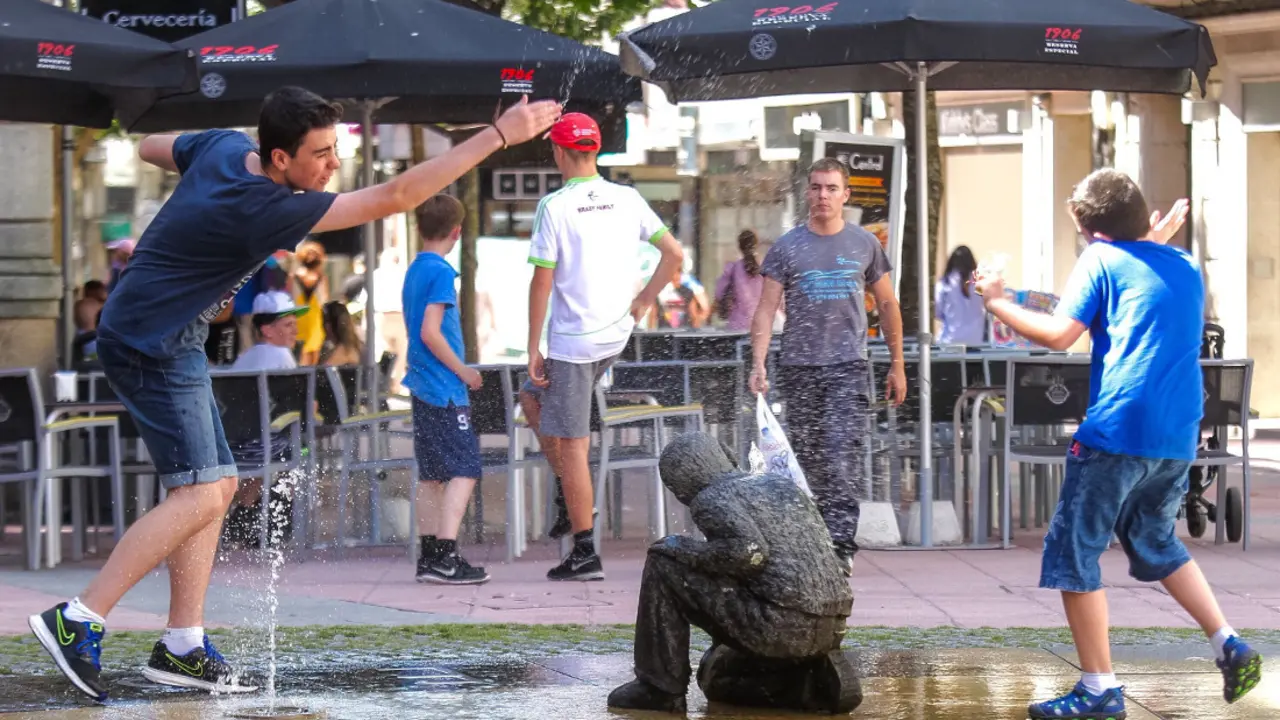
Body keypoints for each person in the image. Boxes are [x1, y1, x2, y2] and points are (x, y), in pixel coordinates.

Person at [27, 85, 561, 701]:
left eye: (336, 149)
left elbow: (149, 146)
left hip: (165, 332)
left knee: (212, 486)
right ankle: (79, 618)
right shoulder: (267, 205)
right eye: (321, 153)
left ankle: (182, 646)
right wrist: (498, 136)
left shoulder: (225, 147)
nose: (333, 164)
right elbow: (398, 196)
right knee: (207, 489)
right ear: (279, 159)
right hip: (151, 342)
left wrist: (186, 241)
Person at [973, 169, 1262, 720]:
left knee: (1073, 553)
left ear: (1091, 232)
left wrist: (995, 299)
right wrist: (1145, 242)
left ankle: (1099, 688)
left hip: (1117, 431)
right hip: (1176, 437)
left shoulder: (1100, 261)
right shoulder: (1183, 265)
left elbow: (1060, 334)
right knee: (1154, 541)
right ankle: (1228, 642)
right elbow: (1139, 270)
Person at [520, 112, 684, 582]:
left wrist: (534, 346)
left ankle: (585, 549)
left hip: (575, 341)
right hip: (616, 332)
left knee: (573, 445)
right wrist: (644, 301)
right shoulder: (628, 198)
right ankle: (570, 492)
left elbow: (541, 281)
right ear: (595, 151)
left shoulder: (555, 205)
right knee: (531, 398)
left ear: (558, 151)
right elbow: (674, 254)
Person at [748, 157, 907, 575]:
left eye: (831, 188)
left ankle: (840, 548)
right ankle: (811, 539)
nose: (823, 195)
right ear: (807, 193)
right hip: (799, 366)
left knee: (840, 456)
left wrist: (898, 364)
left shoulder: (865, 244)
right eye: (816, 187)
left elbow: (888, 304)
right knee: (806, 459)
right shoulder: (787, 246)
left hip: (848, 366)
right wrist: (758, 362)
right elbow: (765, 310)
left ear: (845, 195)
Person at [402, 194, 489, 585]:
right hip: (444, 386)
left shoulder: (415, 269)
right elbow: (431, 333)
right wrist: (464, 371)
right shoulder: (440, 272)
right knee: (465, 468)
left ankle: (430, 556)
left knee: (432, 476)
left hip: (422, 384)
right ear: (456, 232)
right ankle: (448, 554)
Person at [230, 291, 307, 372]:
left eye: (295, 324)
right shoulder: (282, 354)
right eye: (288, 325)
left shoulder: (244, 358)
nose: (296, 331)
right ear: (267, 331)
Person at [714, 230, 767, 332]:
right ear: (756, 245)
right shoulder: (767, 269)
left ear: (739, 246)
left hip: (737, 327)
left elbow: (719, 294)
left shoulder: (732, 269)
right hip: (763, 327)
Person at [934, 245, 986, 345]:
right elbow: (985, 303)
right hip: (975, 341)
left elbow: (938, 313)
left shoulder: (945, 283)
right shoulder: (979, 283)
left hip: (949, 342)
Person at [292, 240, 328, 365]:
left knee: (300, 352)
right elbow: (324, 299)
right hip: (314, 317)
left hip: (299, 315)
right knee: (314, 352)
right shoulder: (321, 277)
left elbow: (290, 297)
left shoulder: (294, 276)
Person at [654, 265, 710, 329]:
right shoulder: (689, 284)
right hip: (678, 332)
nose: (676, 276)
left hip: (674, 332)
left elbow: (698, 312)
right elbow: (704, 309)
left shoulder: (688, 287)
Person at [321, 301, 364, 366]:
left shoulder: (342, 352)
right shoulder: (358, 345)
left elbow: (322, 371)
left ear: (328, 326)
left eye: (322, 322)